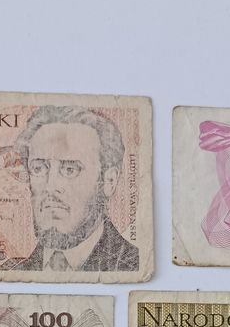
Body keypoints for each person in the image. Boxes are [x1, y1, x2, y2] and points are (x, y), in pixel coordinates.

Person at [15, 105, 138, 272]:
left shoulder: (133, 265)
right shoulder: (12, 272)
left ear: (109, 181)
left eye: (70, 170)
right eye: (38, 169)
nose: (50, 186)